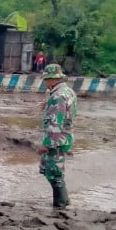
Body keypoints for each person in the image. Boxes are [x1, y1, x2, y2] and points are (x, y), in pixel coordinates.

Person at [38, 64, 77, 208]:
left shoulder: (57, 97)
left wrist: (46, 144)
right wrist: (48, 103)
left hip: (56, 140)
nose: (45, 83)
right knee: (56, 172)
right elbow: (68, 112)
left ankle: (61, 206)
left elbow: (55, 123)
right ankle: (64, 203)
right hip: (65, 137)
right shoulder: (68, 91)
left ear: (52, 80)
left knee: (54, 174)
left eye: (46, 80)